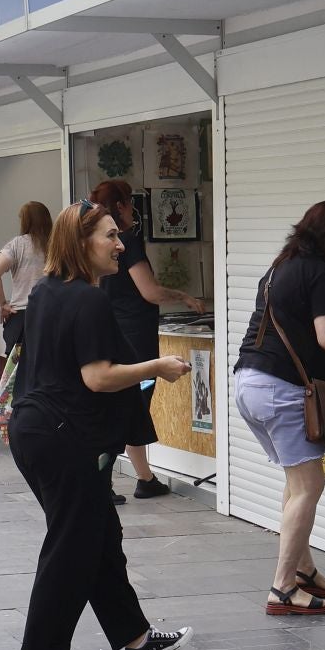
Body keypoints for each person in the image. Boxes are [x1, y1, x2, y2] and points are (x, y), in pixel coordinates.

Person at [7, 200, 193, 650]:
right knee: (72, 545)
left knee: (99, 536)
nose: (119, 245)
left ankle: (136, 639)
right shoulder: (87, 299)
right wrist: (158, 367)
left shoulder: (46, 290)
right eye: (110, 236)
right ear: (81, 242)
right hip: (61, 436)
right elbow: (98, 377)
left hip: (35, 429)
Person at [233, 200, 325, 617]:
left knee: (296, 481)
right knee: (308, 487)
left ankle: (303, 570)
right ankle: (283, 588)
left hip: (248, 383)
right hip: (282, 390)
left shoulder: (278, 268)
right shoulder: (323, 275)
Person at [89, 180, 207, 502]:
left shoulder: (100, 246)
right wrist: (184, 296)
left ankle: (144, 477)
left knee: (131, 407)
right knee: (131, 407)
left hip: (118, 331)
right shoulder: (127, 241)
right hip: (135, 337)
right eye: (131, 202)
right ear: (122, 206)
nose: (134, 209)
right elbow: (150, 291)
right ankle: (104, 482)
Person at [0, 200, 52, 356]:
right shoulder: (56, 245)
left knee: (17, 367)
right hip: (51, 314)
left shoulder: (17, 245)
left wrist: (2, 304)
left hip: (21, 317)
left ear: (25, 221)